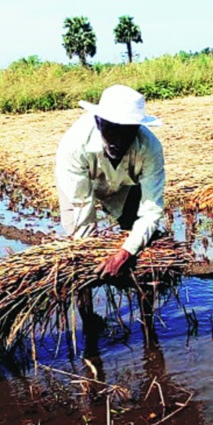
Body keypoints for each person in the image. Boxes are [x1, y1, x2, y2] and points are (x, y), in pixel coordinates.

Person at [55, 84, 165, 279]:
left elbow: (151, 210)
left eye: (127, 132)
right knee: (79, 247)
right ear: (98, 122)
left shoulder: (150, 148)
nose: (118, 141)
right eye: (111, 129)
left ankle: (144, 294)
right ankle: (85, 302)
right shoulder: (74, 146)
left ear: (138, 128)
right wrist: (88, 253)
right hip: (79, 185)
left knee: (141, 242)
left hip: (125, 184)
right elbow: (81, 208)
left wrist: (125, 253)